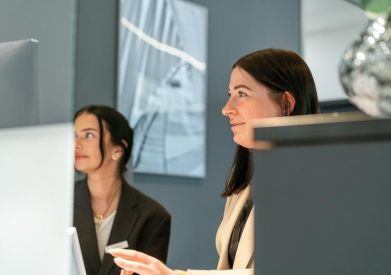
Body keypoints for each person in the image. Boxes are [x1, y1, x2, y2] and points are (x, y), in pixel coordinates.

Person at [109, 48, 320, 275]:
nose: (226, 109)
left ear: (286, 103)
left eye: (242, 94)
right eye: (230, 94)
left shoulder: (317, 183)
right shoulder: (245, 182)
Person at [73, 105, 171, 275]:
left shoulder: (153, 216)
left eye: (89, 135)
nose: (76, 145)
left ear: (117, 150)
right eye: (74, 136)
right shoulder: (59, 204)